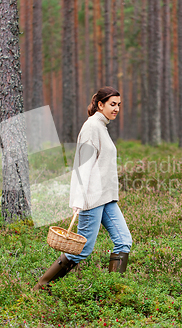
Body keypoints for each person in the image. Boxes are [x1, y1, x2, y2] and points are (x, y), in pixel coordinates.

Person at [33, 86, 133, 292]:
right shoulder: (91, 128)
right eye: (112, 104)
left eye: (119, 105)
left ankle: (112, 291)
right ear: (100, 104)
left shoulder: (101, 127)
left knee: (123, 241)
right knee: (82, 250)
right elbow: (82, 166)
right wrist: (78, 201)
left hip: (106, 198)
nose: (116, 109)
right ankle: (41, 287)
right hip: (92, 198)